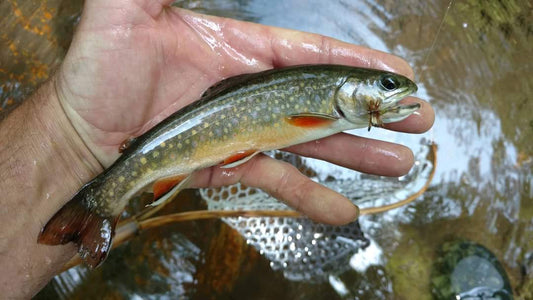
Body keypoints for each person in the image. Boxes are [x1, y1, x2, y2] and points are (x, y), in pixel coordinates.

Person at [0, 0, 434, 298]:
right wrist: (67, 134)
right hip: (196, 134)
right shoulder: (324, 110)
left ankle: (99, 202)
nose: (393, 93)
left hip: (207, 132)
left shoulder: (337, 107)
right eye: (386, 86)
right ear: (349, 90)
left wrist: (64, 136)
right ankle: (99, 202)